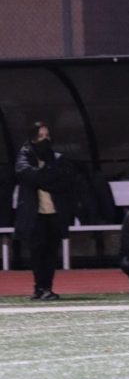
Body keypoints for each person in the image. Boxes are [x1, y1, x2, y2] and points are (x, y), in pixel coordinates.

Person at [14, 121, 75, 301]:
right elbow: (27, 174)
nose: (45, 140)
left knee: (50, 253)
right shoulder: (24, 156)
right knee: (37, 252)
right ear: (32, 137)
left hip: (54, 213)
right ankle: (39, 287)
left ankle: (47, 287)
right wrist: (48, 178)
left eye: (47, 136)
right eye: (40, 136)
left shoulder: (57, 158)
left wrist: (42, 179)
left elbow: (65, 181)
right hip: (34, 215)